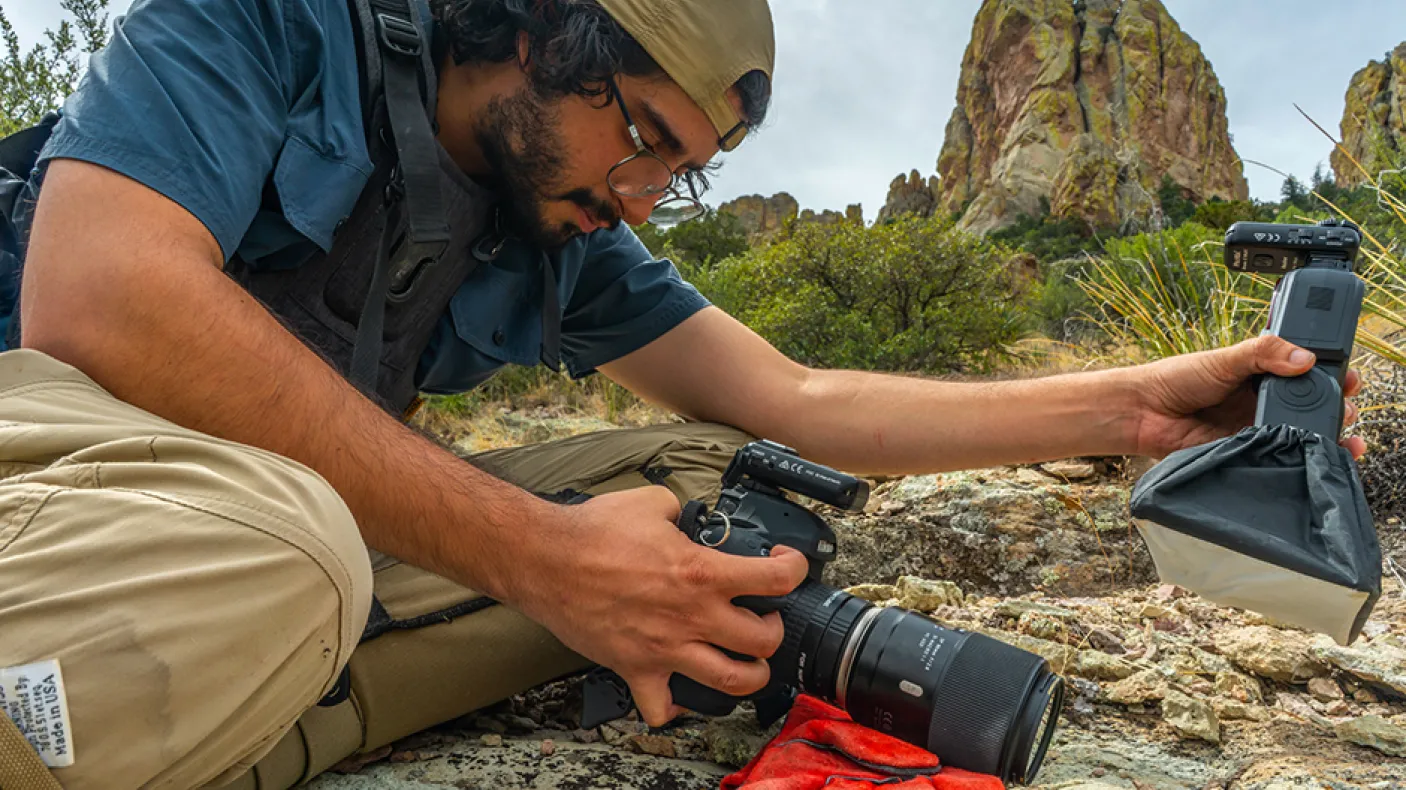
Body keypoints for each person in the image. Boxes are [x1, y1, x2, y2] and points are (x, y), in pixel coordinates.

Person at [0, 0, 1364, 787]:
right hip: (52, 459)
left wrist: (1137, 414)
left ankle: (199, 704)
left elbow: (799, 396)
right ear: (534, 30)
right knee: (289, 557)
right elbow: (99, 294)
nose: (643, 195)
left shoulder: (558, 213)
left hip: (241, 539)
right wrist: (536, 551)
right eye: (642, 136)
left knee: (727, 505)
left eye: (680, 171)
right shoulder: (265, 21)